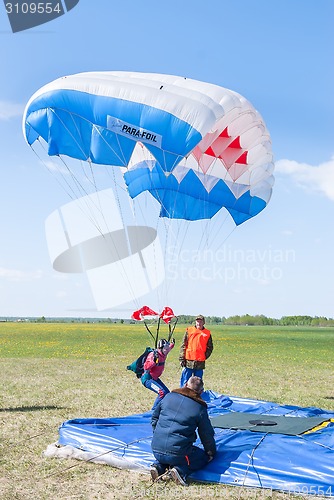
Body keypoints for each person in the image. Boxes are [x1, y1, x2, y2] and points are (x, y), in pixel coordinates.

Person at [150, 375, 216, 486]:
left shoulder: (168, 397)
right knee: (201, 457)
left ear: (185, 384)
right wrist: (210, 453)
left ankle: (159, 467)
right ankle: (180, 471)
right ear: (201, 392)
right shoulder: (199, 408)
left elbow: (154, 418)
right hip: (178, 453)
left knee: (169, 455)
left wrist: (158, 435)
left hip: (155, 448)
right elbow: (206, 434)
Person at [179, 314, 213, 387]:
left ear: (203, 322)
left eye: (200, 321)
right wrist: (182, 358)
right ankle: (182, 395)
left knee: (198, 383)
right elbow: (183, 345)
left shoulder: (207, 333)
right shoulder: (189, 330)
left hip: (200, 362)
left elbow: (210, 347)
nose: (199, 323)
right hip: (188, 361)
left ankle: (196, 397)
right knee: (185, 382)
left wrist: (204, 356)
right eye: (197, 321)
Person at [141, 338, 175, 410]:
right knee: (162, 392)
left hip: (155, 378)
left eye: (167, 348)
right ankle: (153, 412)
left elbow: (170, 347)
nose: (167, 350)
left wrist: (172, 343)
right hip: (147, 378)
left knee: (167, 394)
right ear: (161, 348)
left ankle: (161, 409)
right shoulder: (153, 355)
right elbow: (146, 367)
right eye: (165, 348)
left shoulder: (164, 352)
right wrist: (153, 361)